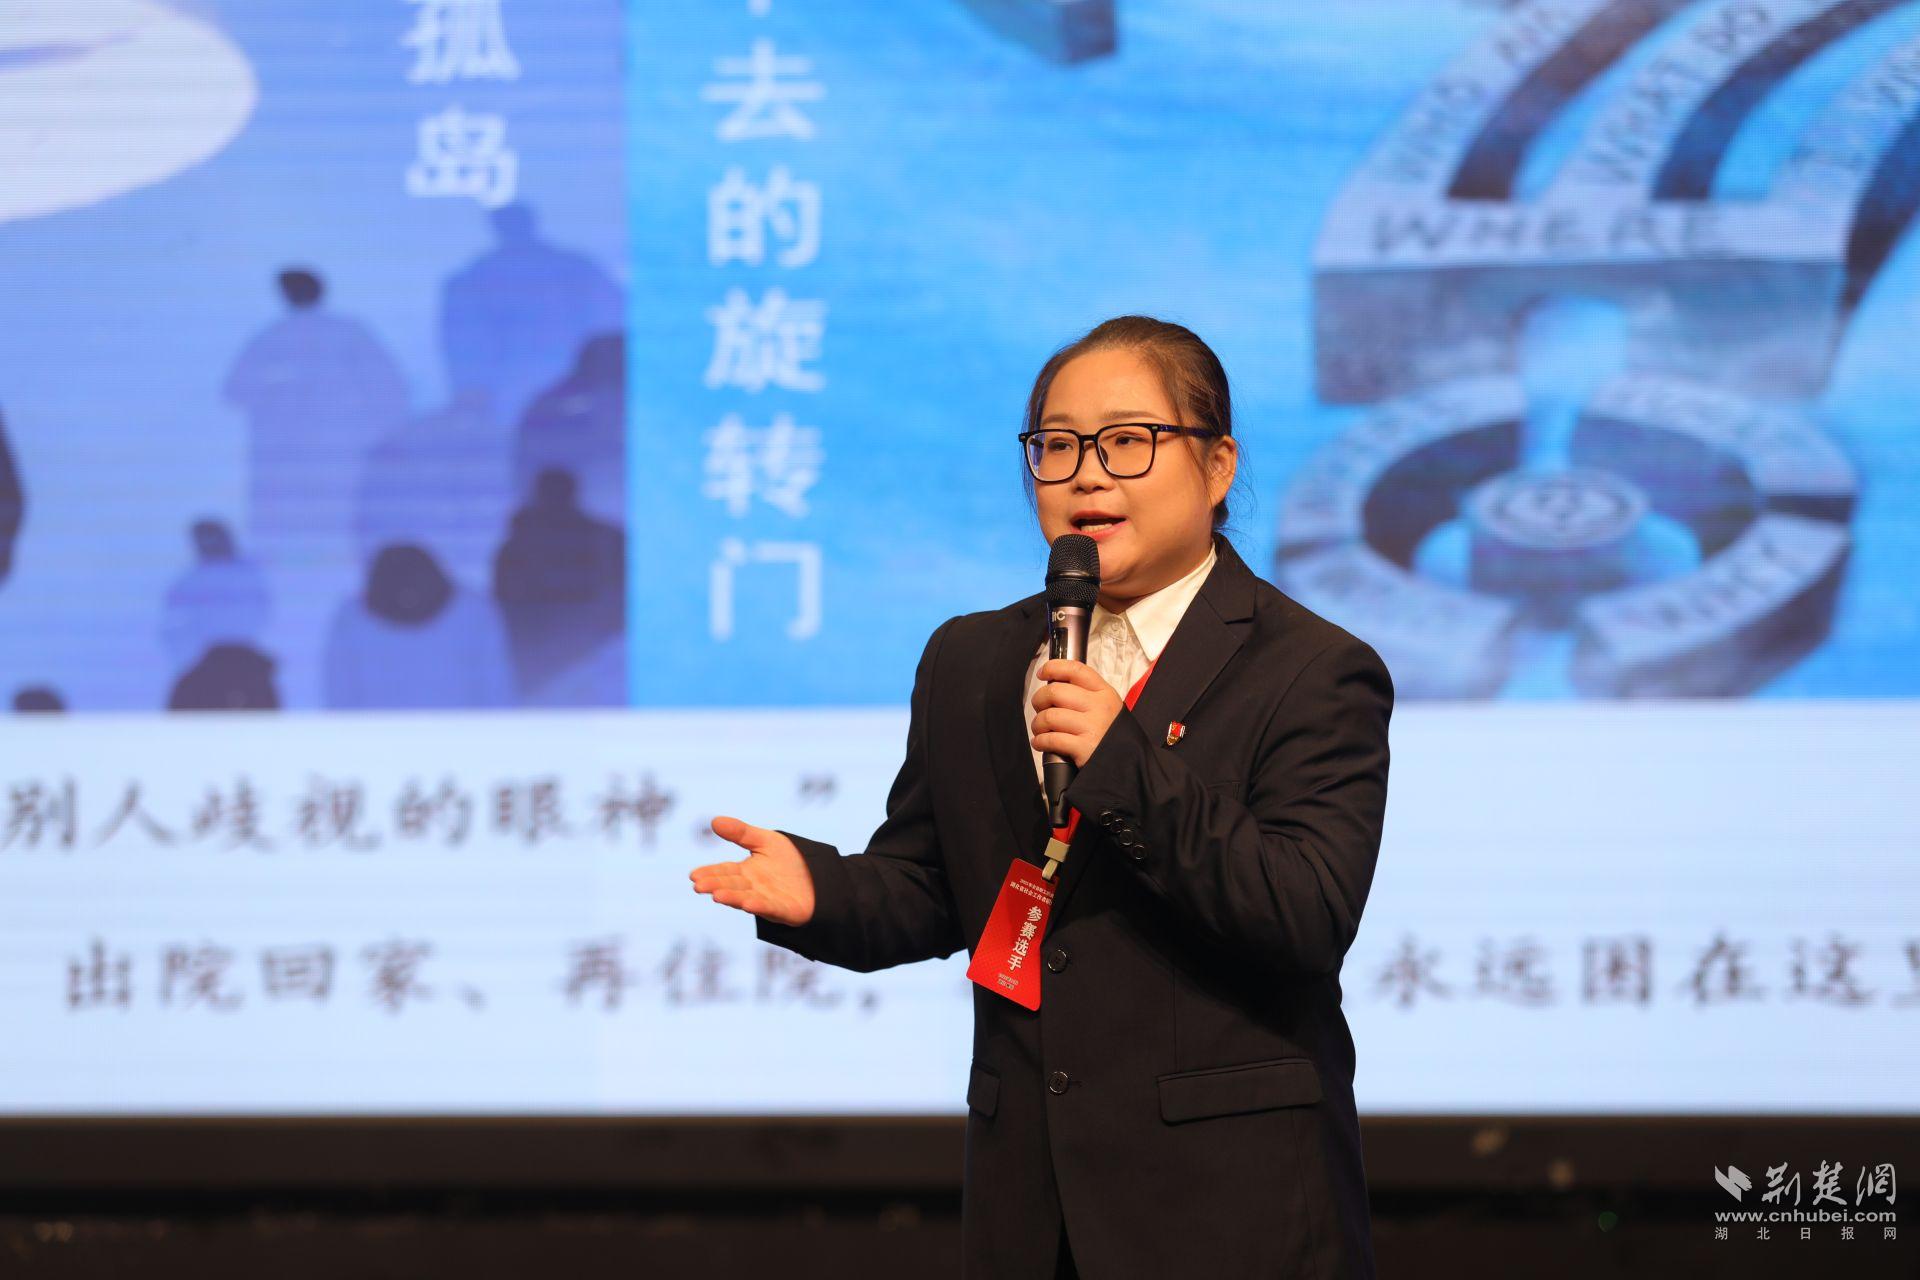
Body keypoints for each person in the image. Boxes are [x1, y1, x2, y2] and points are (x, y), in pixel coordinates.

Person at [691, 315, 1394, 1279]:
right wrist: (823, 894)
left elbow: (1303, 914)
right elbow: (936, 886)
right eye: (1057, 445)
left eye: (1128, 441)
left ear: (1218, 466)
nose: (1087, 475)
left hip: (1233, 1211)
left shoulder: (1311, 669)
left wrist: (1122, 761)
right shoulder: (973, 659)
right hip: (1032, 1206)